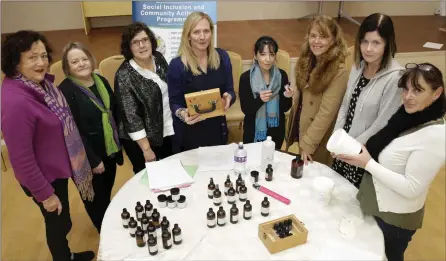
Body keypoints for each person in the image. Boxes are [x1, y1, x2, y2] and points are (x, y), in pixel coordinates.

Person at [335, 63, 445, 261]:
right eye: (406, 89)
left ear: (437, 93)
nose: (408, 96)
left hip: (394, 220)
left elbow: (412, 187)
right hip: (375, 205)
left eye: (418, 90)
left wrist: (367, 163)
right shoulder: (406, 115)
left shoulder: (436, 135)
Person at [1, 31, 95, 261]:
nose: (41, 62)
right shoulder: (17, 101)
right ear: (15, 61)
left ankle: (66, 255)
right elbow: (21, 159)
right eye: (32, 57)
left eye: (43, 56)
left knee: (62, 222)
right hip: (44, 179)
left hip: (55, 170)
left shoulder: (40, 87)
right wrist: (45, 195)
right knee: (58, 224)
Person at [331, 13, 404, 188]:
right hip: (344, 145)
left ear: (388, 44)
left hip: (364, 151)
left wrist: (352, 146)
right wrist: (337, 136)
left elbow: (383, 123)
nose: (368, 48)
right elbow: (345, 105)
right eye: (364, 41)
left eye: (376, 43)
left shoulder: (395, 77)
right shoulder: (358, 66)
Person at [58, 42, 123, 233]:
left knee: (106, 190)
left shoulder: (100, 80)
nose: (81, 64)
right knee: (95, 198)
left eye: (84, 59)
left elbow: (113, 110)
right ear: (67, 66)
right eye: (74, 61)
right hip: (88, 156)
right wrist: (93, 161)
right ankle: (104, 231)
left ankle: (108, 221)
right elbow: (73, 132)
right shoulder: (66, 91)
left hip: (108, 149)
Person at [167, 12, 236, 152]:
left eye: (206, 31)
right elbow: (174, 102)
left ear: (211, 33)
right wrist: (183, 113)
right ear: (188, 36)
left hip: (217, 129)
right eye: (196, 32)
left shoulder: (222, 57)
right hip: (190, 132)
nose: (202, 37)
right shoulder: (177, 65)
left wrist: (229, 97)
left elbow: (230, 90)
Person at [285, 15, 349, 165]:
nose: (316, 41)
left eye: (323, 36)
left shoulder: (338, 71)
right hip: (302, 127)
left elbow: (326, 113)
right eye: (313, 36)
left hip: (318, 138)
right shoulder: (306, 60)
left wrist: (308, 143)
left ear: (333, 39)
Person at [115, 22, 174, 174]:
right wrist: (146, 149)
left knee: (170, 173)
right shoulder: (124, 75)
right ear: (128, 47)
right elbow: (131, 118)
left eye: (145, 40)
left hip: (166, 128)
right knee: (149, 179)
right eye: (135, 42)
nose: (142, 45)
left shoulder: (158, 58)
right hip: (142, 141)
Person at [239, 36, 293, 149]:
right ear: (255, 55)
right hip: (254, 131)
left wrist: (287, 96)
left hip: (276, 130)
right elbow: (246, 110)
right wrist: (260, 100)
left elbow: (285, 108)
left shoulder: (281, 75)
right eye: (263, 54)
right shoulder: (246, 78)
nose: (268, 59)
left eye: (272, 54)